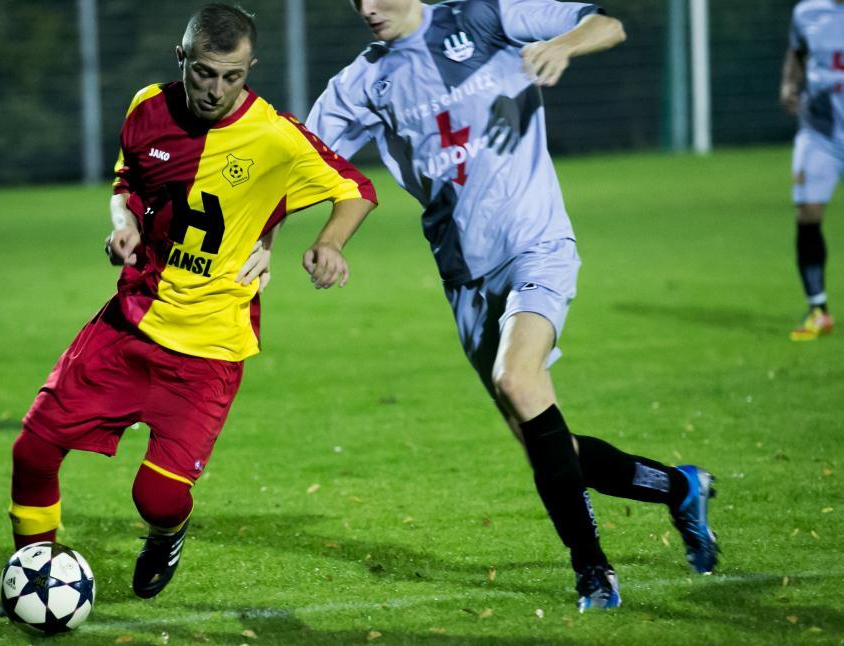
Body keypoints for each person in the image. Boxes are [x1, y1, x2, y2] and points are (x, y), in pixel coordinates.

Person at [304, 0, 716, 611]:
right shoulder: (364, 80)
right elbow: (292, 161)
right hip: (464, 277)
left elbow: (609, 22)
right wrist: (287, 242)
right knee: (546, 445)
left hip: (535, 245)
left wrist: (566, 45)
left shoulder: (485, 17)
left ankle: (594, 573)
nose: (367, 7)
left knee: (518, 379)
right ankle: (679, 487)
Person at [0, 3, 376, 620]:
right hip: (129, 323)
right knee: (33, 449)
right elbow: (128, 185)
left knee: (158, 496)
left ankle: (167, 534)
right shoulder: (147, 109)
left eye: (233, 77)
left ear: (250, 69)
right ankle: (28, 581)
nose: (216, 90)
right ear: (181, 59)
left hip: (210, 348)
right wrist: (123, 228)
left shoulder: (274, 135)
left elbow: (356, 189)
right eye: (204, 73)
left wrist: (328, 243)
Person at [780, 0, 842, 341]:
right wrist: (789, 85)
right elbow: (797, 53)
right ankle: (817, 308)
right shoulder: (807, 11)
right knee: (807, 213)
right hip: (820, 133)